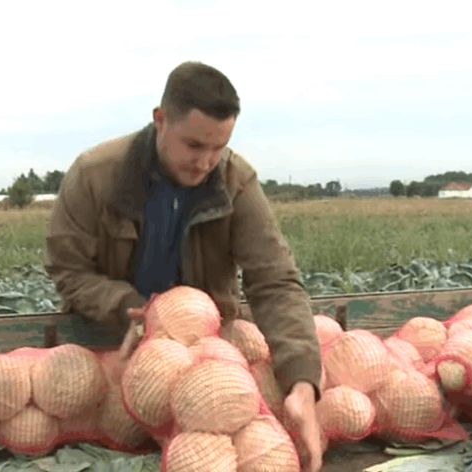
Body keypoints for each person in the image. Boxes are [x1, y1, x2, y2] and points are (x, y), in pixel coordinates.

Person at [43, 61, 324, 471]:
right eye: (194, 145)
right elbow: (69, 270)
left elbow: (275, 281)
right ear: (160, 120)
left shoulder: (235, 181)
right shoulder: (95, 175)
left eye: (218, 147)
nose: (206, 161)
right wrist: (132, 308)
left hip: (206, 371)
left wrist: (302, 381)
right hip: (113, 351)